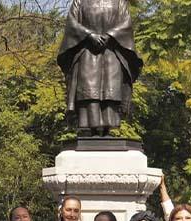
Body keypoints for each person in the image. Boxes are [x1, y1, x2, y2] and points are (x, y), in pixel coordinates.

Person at [57, 0, 143, 135]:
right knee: (89, 92)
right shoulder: (80, 1)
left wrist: (110, 36)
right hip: (87, 54)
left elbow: (126, 24)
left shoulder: (120, 2)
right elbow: (72, 24)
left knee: (111, 92)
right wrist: (89, 35)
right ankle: (91, 129)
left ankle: (107, 129)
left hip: (112, 54)